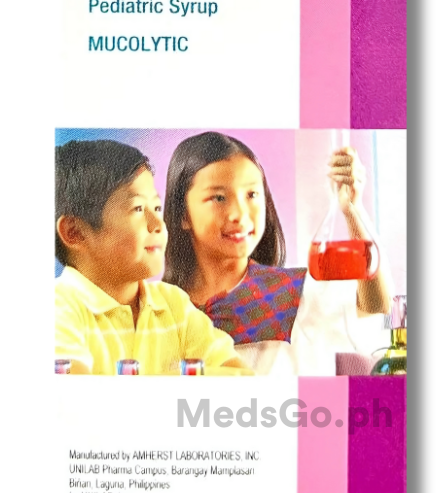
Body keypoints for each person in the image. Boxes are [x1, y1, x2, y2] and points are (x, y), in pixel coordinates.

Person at [162, 132, 392, 375]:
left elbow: (376, 307)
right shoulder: (158, 313)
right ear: (183, 214)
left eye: (252, 194)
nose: (240, 214)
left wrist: (352, 209)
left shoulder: (295, 295)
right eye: (219, 197)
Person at [54, 138, 252, 376]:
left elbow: (241, 378)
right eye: (138, 209)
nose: (158, 223)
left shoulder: (173, 305)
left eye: (157, 208)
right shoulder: (58, 308)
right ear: (75, 232)